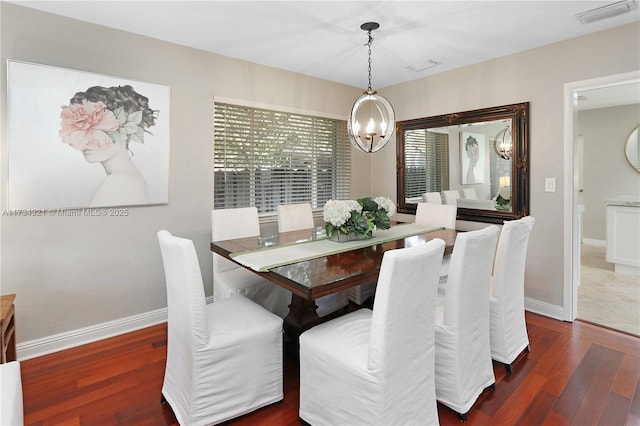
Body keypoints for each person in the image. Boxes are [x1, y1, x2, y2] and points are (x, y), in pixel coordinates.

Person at [59, 85, 158, 207]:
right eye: (80, 130)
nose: (86, 142)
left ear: (125, 131)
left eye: (99, 131)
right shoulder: (131, 179)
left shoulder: (118, 182)